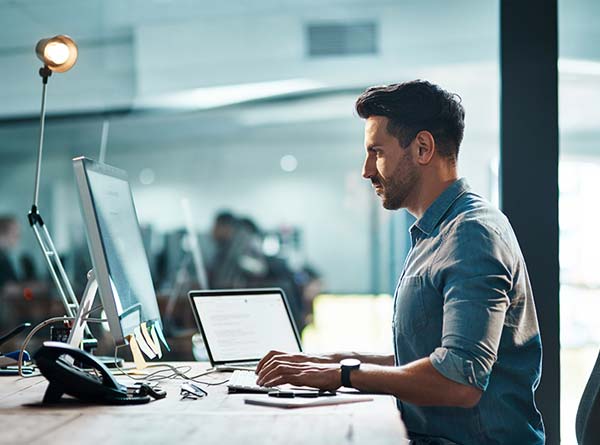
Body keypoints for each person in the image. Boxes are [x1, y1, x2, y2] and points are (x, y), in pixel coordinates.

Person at [256, 80, 545, 444]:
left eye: (376, 152)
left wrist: (340, 375)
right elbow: (426, 358)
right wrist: (328, 361)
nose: (366, 170)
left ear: (422, 148)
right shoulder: (434, 232)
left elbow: (459, 380)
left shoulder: (472, 234)